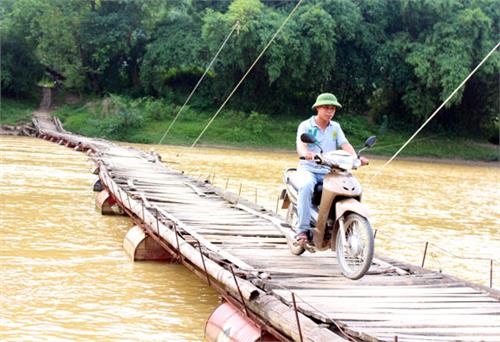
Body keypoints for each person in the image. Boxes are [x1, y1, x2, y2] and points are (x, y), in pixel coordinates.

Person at [293, 92, 367, 244]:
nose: (330, 112)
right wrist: (305, 153)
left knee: (349, 186)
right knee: (306, 186)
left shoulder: (335, 127)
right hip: (309, 169)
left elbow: (345, 144)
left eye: (333, 109)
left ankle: (337, 223)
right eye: (326, 108)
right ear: (317, 108)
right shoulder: (306, 125)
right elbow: (301, 145)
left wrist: (356, 158)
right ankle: (302, 230)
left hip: (330, 171)